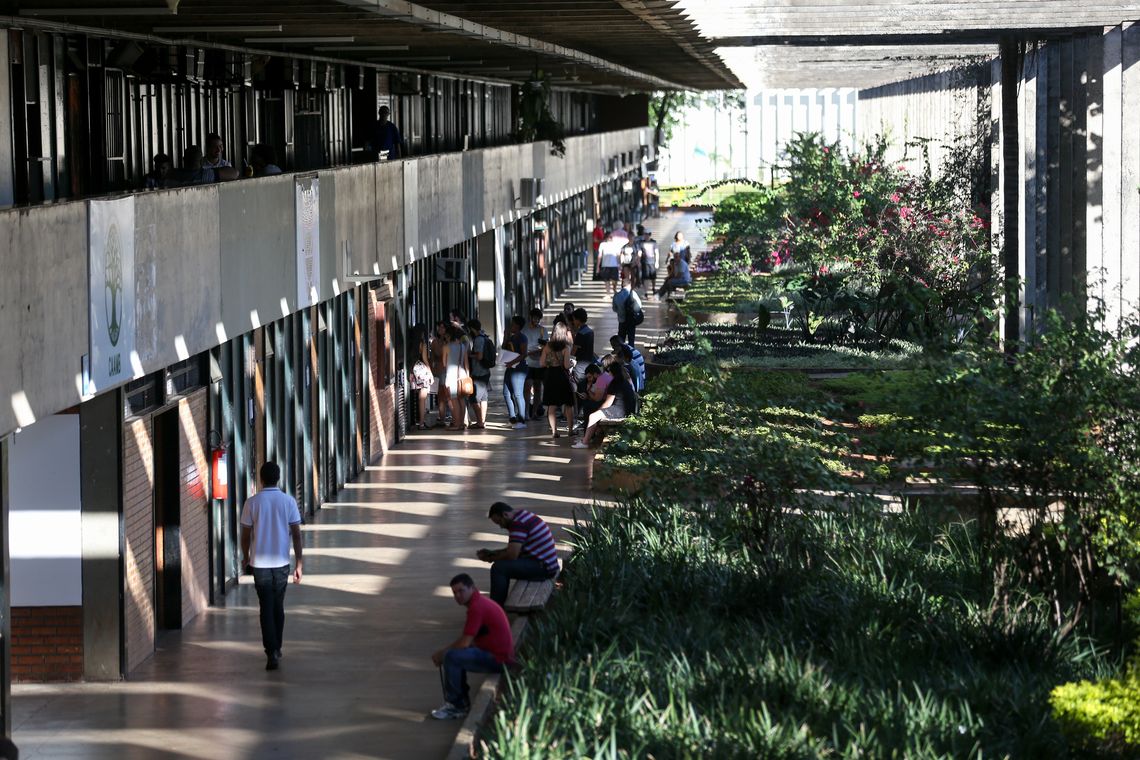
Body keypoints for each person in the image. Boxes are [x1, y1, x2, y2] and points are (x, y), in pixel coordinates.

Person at [240, 461, 303, 671]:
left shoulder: (252, 503)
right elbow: (296, 534)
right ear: (278, 478)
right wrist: (299, 564)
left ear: (261, 479)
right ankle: (277, 647)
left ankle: (271, 651)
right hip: (282, 563)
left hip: (260, 564)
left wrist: (245, 556)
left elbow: (246, 535)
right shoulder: (289, 501)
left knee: (265, 607)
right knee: (278, 606)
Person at [430, 573, 514, 720]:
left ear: (472, 588)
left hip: (499, 659)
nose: (457, 596)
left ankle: (457, 705)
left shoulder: (477, 608)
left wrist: (441, 654)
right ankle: (459, 700)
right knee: (456, 655)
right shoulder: (479, 603)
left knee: (452, 657)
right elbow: (470, 639)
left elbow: (464, 643)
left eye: (461, 591)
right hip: (497, 654)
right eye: (454, 593)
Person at [477, 502, 560, 605]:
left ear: (505, 515)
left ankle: (495, 609)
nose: (501, 527)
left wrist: (492, 558)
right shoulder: (522, 515)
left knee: (498, 569)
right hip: (546, 564)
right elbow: (514, 550)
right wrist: (493, 553)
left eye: (499, 522)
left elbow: (512, 555)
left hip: (544, 568)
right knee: (501, 566)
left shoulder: (517, 524)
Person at [572, 361, 637, 449]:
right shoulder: (623, 381)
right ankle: (588, 438)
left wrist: (599, 411)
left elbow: (608, 403)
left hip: (620, 410)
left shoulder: (614, 383)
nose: (608, 374)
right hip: (626, 409)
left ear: (613, 373)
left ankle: (585, 442)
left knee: (593, 416)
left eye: (609, 372)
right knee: (594, 415)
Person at [540, 321, 575, 439]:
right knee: (568, 404)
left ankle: (554, 432)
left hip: (550, 376)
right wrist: (571, 364)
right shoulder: (566, 347)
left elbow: (542, 363)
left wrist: (551, 363)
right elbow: (566, 366)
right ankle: (570, 430)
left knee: (552, 405)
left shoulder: (547, 346)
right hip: (562, 377)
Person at [502, 315, 529, 429]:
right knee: (506, 393)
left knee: (518, 394)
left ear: (517, 326)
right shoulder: (511, 338)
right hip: (510, 368)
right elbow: (504, 349)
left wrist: (512, 363)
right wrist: (505, 337)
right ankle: (512, 418)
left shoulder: (522, 338)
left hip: (519, 369)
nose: (510, 326)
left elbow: (524, 354)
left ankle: (522, 420)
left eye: (512, 324)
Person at [443, 323, 471, 431]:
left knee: (454, 400)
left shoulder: (446, 347)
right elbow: (466, 363)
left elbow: (444, 363)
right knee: (462, 400)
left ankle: (457, 424)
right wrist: (467, 377)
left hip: (451, 376)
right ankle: (462, 423)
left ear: (449, 335)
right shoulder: (462, 346)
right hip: (462, 375)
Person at [522, 307, 547, 420]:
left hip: (539, 363)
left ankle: (535, 412)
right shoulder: (524, 330)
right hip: (527, 362)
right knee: (527, 387)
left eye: (538, 319)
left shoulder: (543, 330)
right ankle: (526, 411)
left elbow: (545, 345)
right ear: (530, 317)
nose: (536, 320)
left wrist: (538, 351)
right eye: (535, 318)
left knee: (537, 388)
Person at [466, 319, 491, 429]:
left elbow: (479, 356)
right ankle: (482, 421)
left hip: (479, 372)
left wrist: (469, 355)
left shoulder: (478, 340)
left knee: (474, 398)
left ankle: (480, 422)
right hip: (485, 371)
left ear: (471, 328)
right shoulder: (484, 336)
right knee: (484, 398)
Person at [409, 324, 434, 430]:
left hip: (413, 369)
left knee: (419, 397)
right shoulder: (422, 344)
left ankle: (418, 421)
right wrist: (430, 373)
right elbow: (425, 359)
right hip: (421, 370)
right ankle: (422, 423)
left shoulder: (409, 343)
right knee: (422, 398)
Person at [612, 266, 643, 347]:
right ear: (629, 285)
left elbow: (614, 309)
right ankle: (631, 354)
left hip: (621, 320)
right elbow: (639, 305)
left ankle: (621, 354)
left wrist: (620, 311)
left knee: (621, 338)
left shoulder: (616, 296)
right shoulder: (632, 293)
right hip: (631, 320)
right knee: (631, 339)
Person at [430, 320, 450, 427]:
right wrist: (431, 370)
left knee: (448, 395)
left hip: (447, 370)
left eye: (442, 327)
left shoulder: (448, 342)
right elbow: (432, 358)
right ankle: (442, 417)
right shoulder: (435, 342)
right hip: (439, 371)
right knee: (441, 396)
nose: (440, 329)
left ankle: (453, 417)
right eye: (439, 327)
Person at [570, 308, 595, 384]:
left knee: (578, 385)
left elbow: (574, 350)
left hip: (580, 365)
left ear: (578, 320)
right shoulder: (590, 331)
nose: (573, 322)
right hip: (589, 362)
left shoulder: (581, 333)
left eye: (574, 319)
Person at [639, 228, 659, 296]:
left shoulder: (654, 242)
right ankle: (646, 291)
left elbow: (656, 252)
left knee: (653, 276)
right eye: (645, 234)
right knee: (645, 277)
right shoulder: (641, 242)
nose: (646, 236)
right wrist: (639, 261)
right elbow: (640, 252)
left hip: (652, 262)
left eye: (648, 234)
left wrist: (657, 262)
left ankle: (653, 288)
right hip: (644, 262)